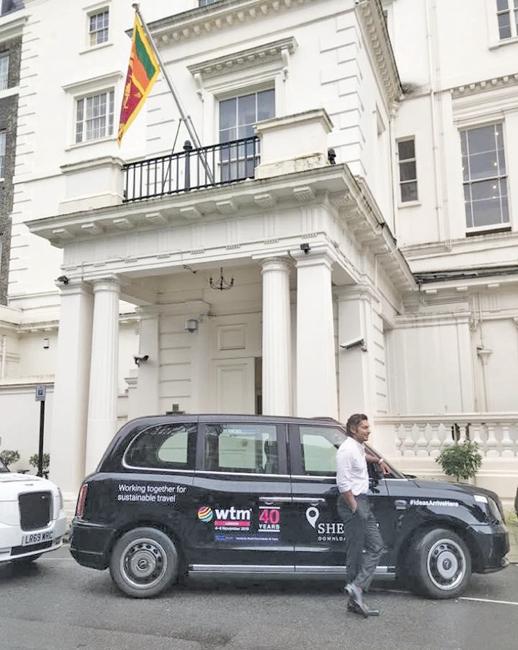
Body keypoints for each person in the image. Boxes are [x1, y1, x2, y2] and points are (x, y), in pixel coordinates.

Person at [336, 413, 389, 618]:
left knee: (364, 550)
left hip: (361, 501)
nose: (368, 430)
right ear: (353, 429)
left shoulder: (357, 448)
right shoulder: (346, 450)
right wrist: (355, 507)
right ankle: (357, 589)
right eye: (364, 428)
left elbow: (362, 458)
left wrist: (378, 459)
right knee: (367, 549)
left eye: (368, 427)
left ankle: (355, 596)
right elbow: (343, 484)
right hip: (354, 502)